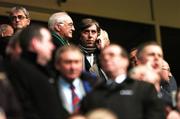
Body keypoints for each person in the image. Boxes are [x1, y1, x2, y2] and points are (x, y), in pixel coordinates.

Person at [81, 44, 165, 119]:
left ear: (125, 61)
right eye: (103, 57)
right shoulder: (93, 93)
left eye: (111, 55)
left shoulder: (144, 88)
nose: (106, 58)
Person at [4, 25, 64, 119]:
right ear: (35, 43)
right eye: (48, 41)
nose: (52, 47)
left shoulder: (45, 72)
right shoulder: (18, 71)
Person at [54, 45, 98, 118]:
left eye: (77, 62)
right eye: (68, 62)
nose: (73, 67)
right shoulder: (49, 88)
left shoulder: (94, 86)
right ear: (57, 65)